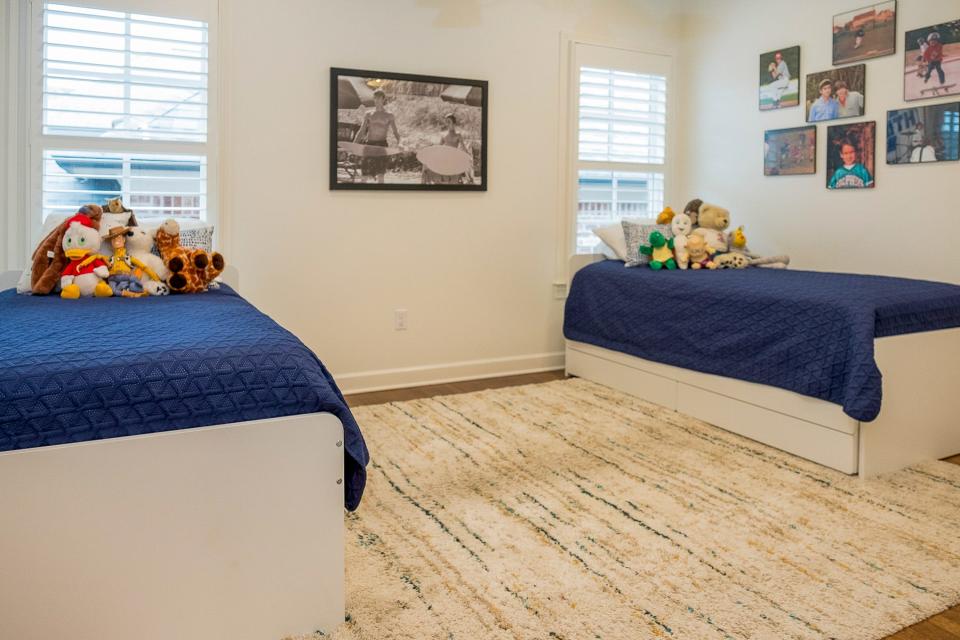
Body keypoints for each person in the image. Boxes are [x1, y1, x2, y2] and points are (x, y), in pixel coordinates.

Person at [354, 89, 401, 183]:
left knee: (380, 175)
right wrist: (354, 144)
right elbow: (362, 131)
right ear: (373, 99)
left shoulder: (389, 115)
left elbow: (395, 132)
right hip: (369, 144)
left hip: (382, 145)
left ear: (383, 99)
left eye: (379, 98)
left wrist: (400, 143)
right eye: (375, 98)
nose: (377, 100)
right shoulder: (368, 114)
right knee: (364, 175)